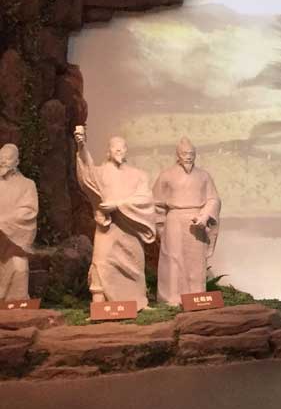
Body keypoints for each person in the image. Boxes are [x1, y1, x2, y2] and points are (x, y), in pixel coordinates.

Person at [75, 129, 156, 310]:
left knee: (134, 265)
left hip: (130, 226)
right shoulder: (101, 172)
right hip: (108, 227)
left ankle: (138, 301)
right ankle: (98, 303)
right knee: (101, 261)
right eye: (115, 148)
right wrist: (81, 146)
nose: (119, 151)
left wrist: (118, 205)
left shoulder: (138, 175)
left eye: (122, 148)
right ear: (108, 151)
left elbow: (145, 199)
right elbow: (87, 173)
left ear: (126, 151)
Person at [152, 138, 221, 306]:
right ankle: (172, 297)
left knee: (196, 259)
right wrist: (161, 227)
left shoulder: (204, 176)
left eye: (191, 153)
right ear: (178, 155)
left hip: (197, 219)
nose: (188, 157)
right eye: (184, 153)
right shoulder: (166, 175)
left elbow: (213, 199)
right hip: (174, 218)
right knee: (173, 258)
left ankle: (196, 295)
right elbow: (156, 203)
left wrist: (205, 215)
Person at [0, 144, 38, 302]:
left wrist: (4, 223)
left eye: (7, 158)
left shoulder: (27, 185)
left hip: (14, 243)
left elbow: (29, 211)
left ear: (17, 162)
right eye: (1, 158)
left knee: (19, 267)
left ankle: (15, 304)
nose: (3, 161)